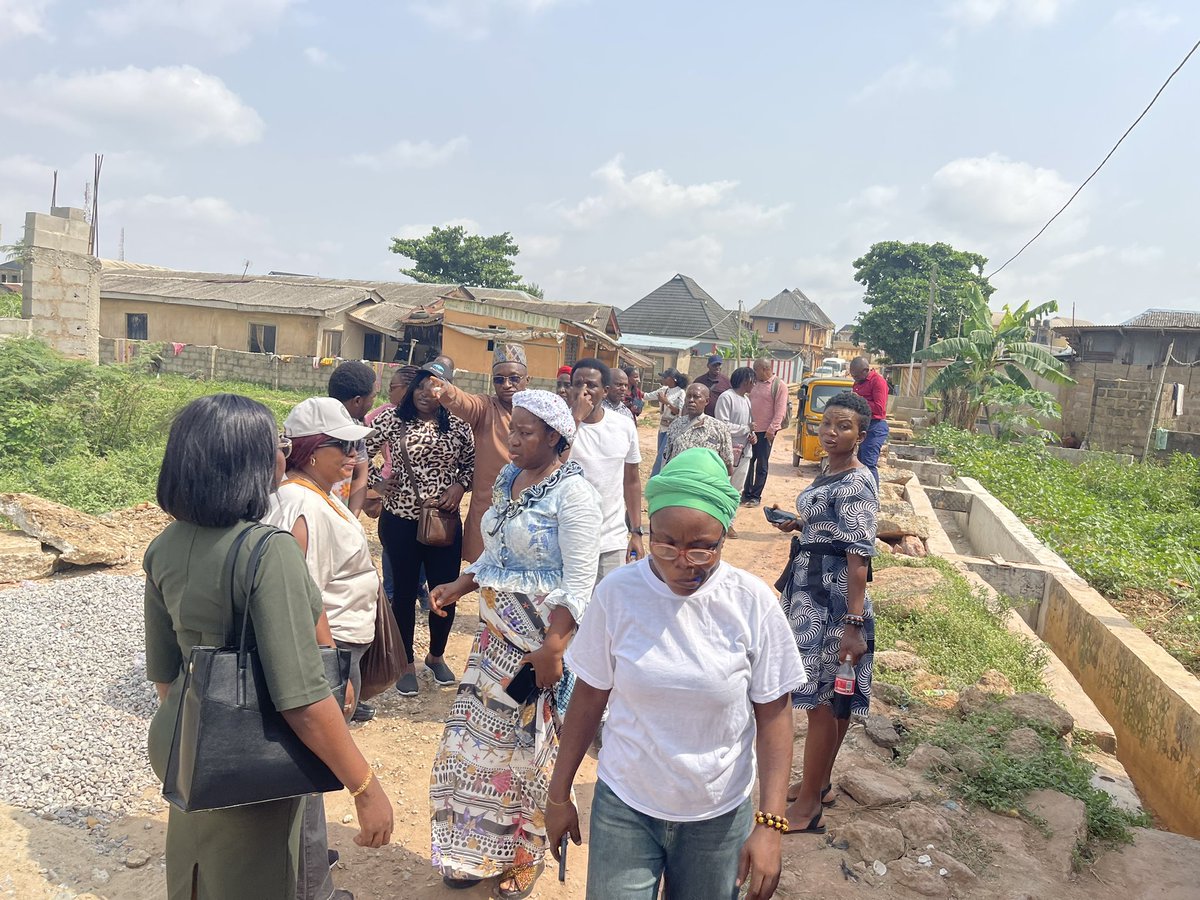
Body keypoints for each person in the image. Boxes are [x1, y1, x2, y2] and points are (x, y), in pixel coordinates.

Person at [144, 394, 392, 900]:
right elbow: (300, 699)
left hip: (185, 745)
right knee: (257, 876)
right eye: (276, 446)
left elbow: (166, 679)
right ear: (246, 463)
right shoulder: (266, 549)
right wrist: (366, 788)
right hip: (248, 757)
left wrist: (204, 737)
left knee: (197, 874)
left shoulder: (164, 546)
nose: (283, 457)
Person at [545, 447, 806, 900]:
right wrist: (558, 794)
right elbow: (588, 699)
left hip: (718, 817)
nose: (682, 561)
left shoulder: (751, 602)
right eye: (665, 543)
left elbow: (774, 715)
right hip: (626, 805)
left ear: (724, 536)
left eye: (702, 547)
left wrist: (770, 825)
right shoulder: (618, 594)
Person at [427, 390, 601, 898]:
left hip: (538, 648)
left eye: (526, 432)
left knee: (529, 750)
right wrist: (462, 582)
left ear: (555, 437)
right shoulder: (510, 479)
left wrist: (553, 647)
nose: (513, 440)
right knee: (476, 749)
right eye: (512, 430)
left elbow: (582, 580)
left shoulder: (574, 496)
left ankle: (525, 855)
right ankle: (474, 850)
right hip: (492, 643)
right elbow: (498, 556)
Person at [263, 397, 382, 900]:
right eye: (343, 445)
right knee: (312, 768)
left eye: (355, 444)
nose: (354, 454)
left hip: (339, 643)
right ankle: (312, 885)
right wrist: (330, 668)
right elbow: (300, 599)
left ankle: (306, 859)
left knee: (310, 768)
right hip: (325, 649)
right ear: (313, 451)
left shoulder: (316, 493)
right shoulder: (300, 505)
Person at [770, 392, 877, 835]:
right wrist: (799, 525)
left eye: (843, 426)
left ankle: (810, 804)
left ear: (861, 435)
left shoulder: (855, 481)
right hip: (809, 592)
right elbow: (831, 530)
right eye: (826, 424)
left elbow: (858, 558)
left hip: (832, 606)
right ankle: (821, 783)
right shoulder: (829, 470)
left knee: (822, 702)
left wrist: (853, 625)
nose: (830, 433)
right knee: (830, 702)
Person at [367, 365, 474, 697]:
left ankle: (436, 655)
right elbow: (358, 451)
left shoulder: (458, 425)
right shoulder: (392, 421)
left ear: (446, 391)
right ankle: (406, 664)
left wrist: (460, 485)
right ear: (410, 390)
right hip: (399, 521)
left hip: (444, 522)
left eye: (436, 387)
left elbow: (471, 464)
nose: (428, 394)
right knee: (402, 596)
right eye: (421, 387)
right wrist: (377, 483)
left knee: (446, 593)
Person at [428, 343, 529, 563]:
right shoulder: (486, 408)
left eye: (514, 378)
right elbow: (465, 402)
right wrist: (446, 391)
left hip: (528, 511)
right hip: (489, 510)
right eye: (499, 379)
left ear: (526, 380)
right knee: (486, 580)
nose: (507, 385)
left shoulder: (538, 412)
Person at [568, 357, 644, 579]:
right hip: (566, 539)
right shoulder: (556, 425)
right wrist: (575, 419)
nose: (584, 390)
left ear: (605, 390)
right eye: (578, 384)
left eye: (591, 385)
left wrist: (637, 532)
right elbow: (553, 466)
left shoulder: (623, 426)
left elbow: (631, 481)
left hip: (611, 539)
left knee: (607, 608)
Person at [364, 365, 424, 620]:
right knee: (392, 547)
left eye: (393, 388)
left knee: (422, 548)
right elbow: (360, 448)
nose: (389, 393)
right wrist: (376, 482)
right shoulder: (387, 415)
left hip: (426, 506)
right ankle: (391, 592)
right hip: (394, 492)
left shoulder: (435, 418)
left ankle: (419, 590)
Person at [327, 361, 378, 515]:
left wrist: (350, 520)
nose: (373, 402)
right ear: (357, 401)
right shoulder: (316, 426)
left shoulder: (356, 430)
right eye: (373, 397)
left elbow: (360, 476)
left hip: (340, 516)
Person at [742, 358, 787, 507]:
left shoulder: (778, 385)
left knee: (761, 464)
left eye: (756, 369)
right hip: (751, 430)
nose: (754, 372)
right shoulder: (754, 384)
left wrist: (772, 429)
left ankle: (756, 496)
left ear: (764, 369)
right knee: (748, 461)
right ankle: (746, 493)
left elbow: (780, 410)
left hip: (766, 432)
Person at [663, 382, 734, 474]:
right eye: (688, 396)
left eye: (696, 397)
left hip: (704, 484)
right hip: (677, 481)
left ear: (707, 401)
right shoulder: (676, 425)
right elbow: (667, 458)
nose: (691, 400)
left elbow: (728, 466)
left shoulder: (719, 428)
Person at [715, 365, 756, 506]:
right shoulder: (727, 397)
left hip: (745, 451)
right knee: (723, 487)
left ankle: (730, 523)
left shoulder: (746, 400)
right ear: (746, 381)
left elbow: (749, 425)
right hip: (728, 451)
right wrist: (745, 429)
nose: (754, 384)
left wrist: (752, 435)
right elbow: (722, 425)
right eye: (753, 381)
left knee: (737, 490)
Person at [850, 356, 889, 488]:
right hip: (862, 426)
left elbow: (879, 408)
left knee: (868, 463)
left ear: (865, 370)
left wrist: (859, 400)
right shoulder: (857, 383)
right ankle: (861, 494)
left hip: (875, 427)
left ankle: (872, 499)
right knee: (859, 463)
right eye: (852, 375)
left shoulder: (878, 382)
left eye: (856, 375)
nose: (854, 378)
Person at [649, 368, 687, 477]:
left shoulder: (680, 392)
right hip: (662, 427)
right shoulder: (664, 390)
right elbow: (647, 396)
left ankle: (655, 477)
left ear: (672, 379)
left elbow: (679, 412)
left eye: (665, 377)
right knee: (661, 454)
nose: (663, 379)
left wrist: (666, 402)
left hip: (673, 429)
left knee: (662, 455)